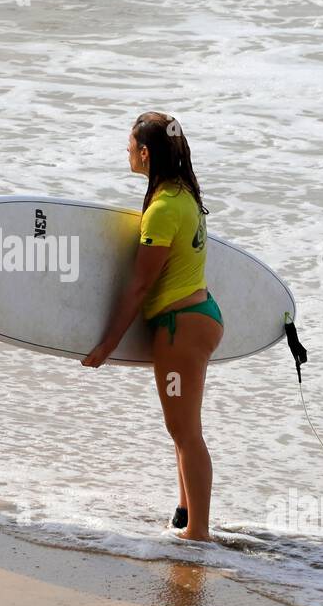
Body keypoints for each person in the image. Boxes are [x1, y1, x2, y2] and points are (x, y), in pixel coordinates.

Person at [82, 113, 224, 542]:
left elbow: (141, 283)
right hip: (197, 316)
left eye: (129, 145)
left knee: (186, 432)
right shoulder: (184, 196)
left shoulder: (163, 209)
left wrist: (107, 344)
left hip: (180, 329)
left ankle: (198, 535)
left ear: (145, 153)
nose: (126, 152)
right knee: (181, 429)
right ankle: (185, 514)